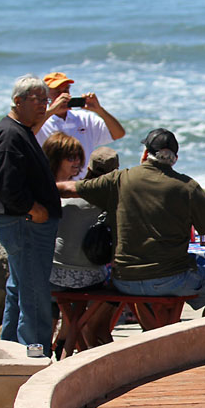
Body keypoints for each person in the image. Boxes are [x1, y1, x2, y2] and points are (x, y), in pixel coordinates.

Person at [56, 128, 205, 318]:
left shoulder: (120, 179)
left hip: (124, 280)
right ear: (174, 159)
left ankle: (156, 335)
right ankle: (197, 341)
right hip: (171, 279)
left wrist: (32, 190)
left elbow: (69, 188)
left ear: (146, 154)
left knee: (148, 296)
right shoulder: (187, 187)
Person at [0, 75, 61, 357]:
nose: (44, 106)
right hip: (26, 225)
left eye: (46, 100)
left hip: (25, 225)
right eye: (37, 100)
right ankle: (35, 357)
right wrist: (34, 209)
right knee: (34, 297)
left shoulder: (20, 130)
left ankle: (9, 351)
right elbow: (5, 185)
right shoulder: (11, 135)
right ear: (18, 100)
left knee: (19, 289)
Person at [45, 133, 117, 350]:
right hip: (85, 280)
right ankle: (91, 335)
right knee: (116, 286)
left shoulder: (65, 197)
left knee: (70, 307)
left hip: (53, 275)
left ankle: (69, 336)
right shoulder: (109, 203)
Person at [35, 72, 125, 179]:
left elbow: (118, 134)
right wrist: (51, 111)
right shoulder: (40, 121)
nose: (63, 95)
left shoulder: (84, 118)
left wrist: (99, 110)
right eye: (58, 92)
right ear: (46, 96)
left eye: (66, 90)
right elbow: (24, 137)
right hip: (52, 184)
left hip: (83, 184)